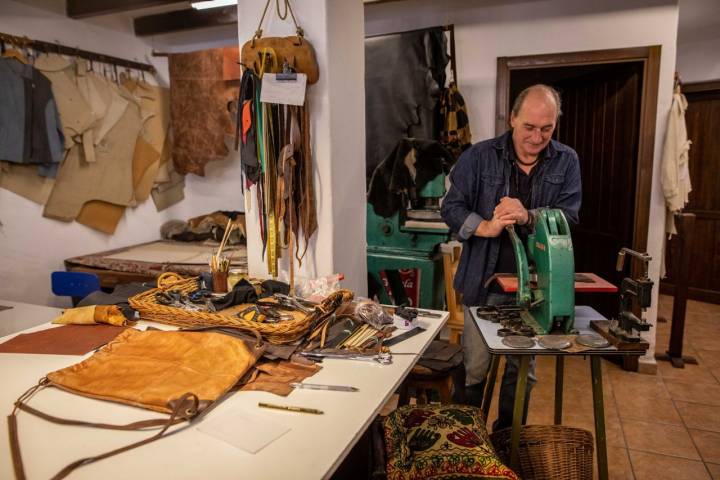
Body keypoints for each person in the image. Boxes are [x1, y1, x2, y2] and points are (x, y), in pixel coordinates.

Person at [440, 84, 582, 431]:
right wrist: (484, 226)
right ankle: (469, 443)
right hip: (483, 283)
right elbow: (451, 207)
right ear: (513, 118)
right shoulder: (479, 156)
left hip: (535, 288)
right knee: (475, 368)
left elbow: (570, 217)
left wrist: (529, 216)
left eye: (546, 129)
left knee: (522, 372)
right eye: (529, 127)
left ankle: (507, 441)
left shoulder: (567, 160)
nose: (537, 137)